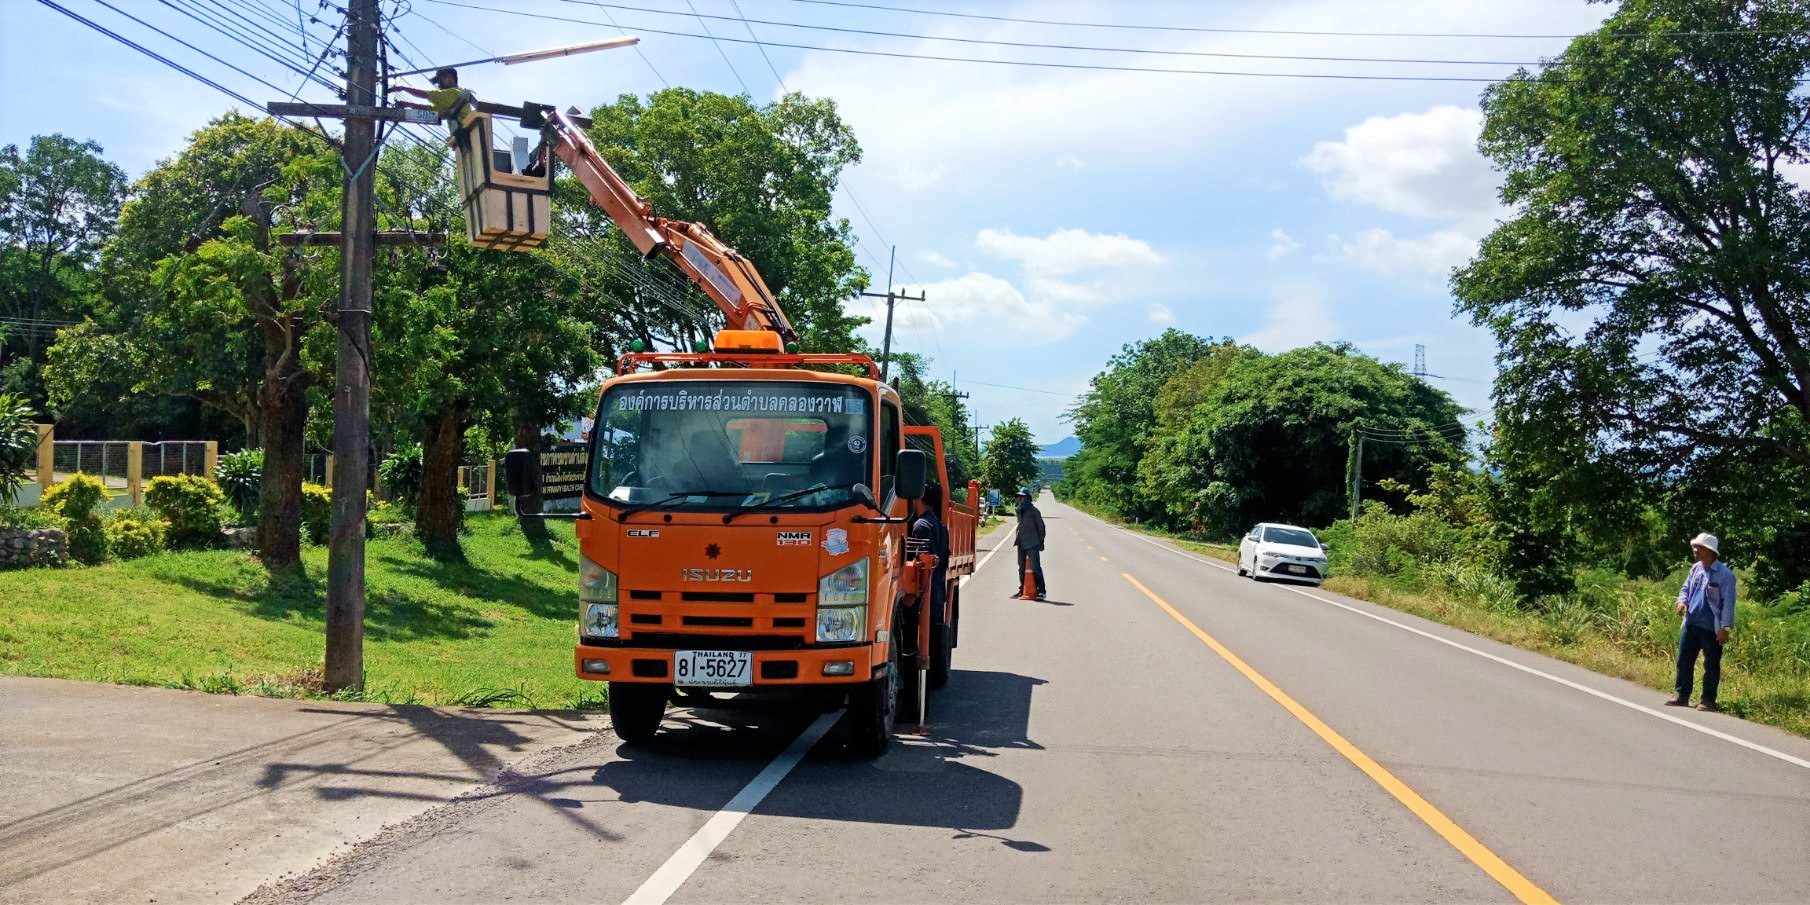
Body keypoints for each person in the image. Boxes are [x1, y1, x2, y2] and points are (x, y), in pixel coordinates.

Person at [1667, 532, 1736, 712]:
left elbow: (1728, 602)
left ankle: (1708, 700)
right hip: (1691, 623)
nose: (1695, 550)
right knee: (1684, 660)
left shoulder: (1725, 575)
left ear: (1711, 551)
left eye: (1700, 547)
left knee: (1711, 664)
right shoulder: (1696, 568)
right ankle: (1681, 695)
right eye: (1695, 547)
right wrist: (1682, 601)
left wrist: (1725, 628)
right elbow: (1686, 588)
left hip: (1711, 628)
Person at [909, 483, 950, 627]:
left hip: (926, 595)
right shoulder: (941, 526)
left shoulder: (921, 526)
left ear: (919, 498)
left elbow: (922, 563)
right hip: (938, 591)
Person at [395, 68, 474, 121]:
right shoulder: (449, 103)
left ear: (449, 78)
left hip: (467, 131)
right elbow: (430, 110)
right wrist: (409, 105)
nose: (438, 85)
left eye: (439, 80)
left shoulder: (454, 92)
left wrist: (403, 88)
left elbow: (426, 94)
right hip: (464, 134)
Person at [1010, 487, 1046, 601]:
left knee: (1035, 567)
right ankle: (1022, 589)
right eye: (1019, 497)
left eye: (1022, 497)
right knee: (1021, 568)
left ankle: (1041, 591)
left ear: (1027, 498)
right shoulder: (1019, 510)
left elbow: (1041, 527)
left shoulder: (1034, 511)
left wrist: (1041, 542)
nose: (1020, 499)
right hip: (1021, 542)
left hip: (1032, 542)